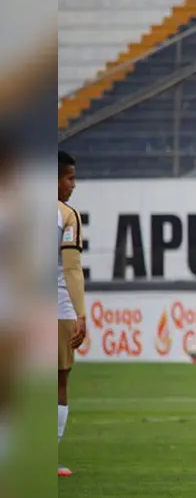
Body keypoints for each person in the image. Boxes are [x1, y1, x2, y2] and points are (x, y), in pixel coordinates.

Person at [58, 150, 86, 477]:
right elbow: (71, 268)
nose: (73, 185)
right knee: (58, 380)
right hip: (56, 309)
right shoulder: (66, 215)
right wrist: (81, 314)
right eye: (69, 178)